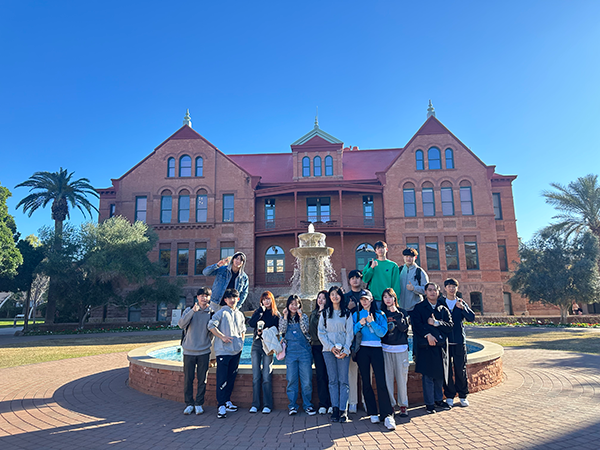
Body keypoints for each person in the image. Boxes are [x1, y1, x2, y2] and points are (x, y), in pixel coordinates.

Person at [353, 289, 396, 430]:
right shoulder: (357, 314)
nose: (364, 301)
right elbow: (352, 331)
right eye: (362, 299)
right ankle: (372, 412)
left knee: (381, 380)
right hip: (362, 350)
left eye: (366, 299)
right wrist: (360, 324)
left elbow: (382, 333)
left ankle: (387, 414)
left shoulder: (379, 314)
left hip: (377, 348)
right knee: (366, 380)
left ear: (371, 299)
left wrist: (371, 323)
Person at [411, 282, 453, 414]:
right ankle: (429, 404)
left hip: (440, 347)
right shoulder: (419, 308)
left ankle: (438, 400)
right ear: (425, 292)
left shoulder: (443, 308)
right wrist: (427, 334)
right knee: (428, 375)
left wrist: (436, 323)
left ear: (438, 292)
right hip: (426, 347)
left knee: (439, 375)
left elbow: (450, 326)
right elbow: (416, 325)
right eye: (429, 290)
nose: (432, 292)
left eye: (435, 290)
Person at [207, 288, 246, 419]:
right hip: (223, 351)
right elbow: (211, 325)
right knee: (222, 378)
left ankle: (227, 401)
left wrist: (241, 343)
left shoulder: (240, 314)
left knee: (231, 377)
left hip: (236, 351)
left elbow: (243, 330)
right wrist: (222, 337)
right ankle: (221, 405)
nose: (232, 300)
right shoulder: (221, 312)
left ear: (238, 299)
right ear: (225, 300)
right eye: (229, 298)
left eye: (234, 297)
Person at [318, 286, 354, 423]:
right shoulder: (325, 313)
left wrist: (345, 350)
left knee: (343, 381)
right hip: (329, 351)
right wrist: (331, 347)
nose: (334, 297)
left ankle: (343, 410)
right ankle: (335, 409)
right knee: (332, 380)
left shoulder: (346, 313)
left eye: (337, 294)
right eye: (332, 294)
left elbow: (350, 333)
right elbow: (321, 332)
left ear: (341, 296)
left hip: (344, 351)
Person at [178, 287, 214, 416]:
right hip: (189, 351)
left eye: (206, 296)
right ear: (197, 297)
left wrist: (206, 342)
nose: (204, 298)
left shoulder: (211, 312)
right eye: (201, 296)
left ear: (209, 298)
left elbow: (212, 333)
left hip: (204, 351)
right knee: (188, 379)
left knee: (202, 379)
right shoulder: (189, 310)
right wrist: (193, 311)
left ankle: (199, 403)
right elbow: (181, 324)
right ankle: (189, 404)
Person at [279, 295, 317, 416]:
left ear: (300, 305)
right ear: (288, 305)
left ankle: (308, 405)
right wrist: (284, 316)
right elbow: (282, 331)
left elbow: (305, 330)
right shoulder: (284, 317)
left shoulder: (304, 316)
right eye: (292, 304)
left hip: (304, 352)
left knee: (306, 380)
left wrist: (301, 316)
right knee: (291, 379)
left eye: (296, 304)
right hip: (290, 352)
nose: (294, 306)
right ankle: (292, 406)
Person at [440, 278, 475, 408]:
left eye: (454, 286)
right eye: (449, 286)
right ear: (445, 288)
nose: (451, 288)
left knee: (461, 369)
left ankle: (462, 395)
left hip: (459, 341)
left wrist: (463, 309)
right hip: (446, 343)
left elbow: (471, 318)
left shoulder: (460, 302)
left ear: (457, 288)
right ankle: (449, 396)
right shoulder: (441, 302)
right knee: (447, 370)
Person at [247, 291, 280, 414]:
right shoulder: (258, 312)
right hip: (256, 345)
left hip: (268, 346)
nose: (267, 301)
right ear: (261, 301)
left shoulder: (276, 315)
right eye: (264, 299)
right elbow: (250, 324)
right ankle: (255, 404)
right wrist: (259, 312)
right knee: (256, 376)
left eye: (269, 299)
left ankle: (267, 404)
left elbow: (279, 331)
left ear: (272, 301)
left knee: (266, 375)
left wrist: (265, 333)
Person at [381, 288, 410, 418]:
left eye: (390, 297)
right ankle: (391, 405)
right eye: (385, 297)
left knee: (401, 378)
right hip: (386, 349)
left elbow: (404, 328)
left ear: (394, 298)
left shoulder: (403, 312)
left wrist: (397, 314)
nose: (388, 299)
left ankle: (403, 405)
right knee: (388, 379)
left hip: (401, 349)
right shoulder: (381, 314)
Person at [343, 269, 365, 414]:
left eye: (357, 278)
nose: (355, 280)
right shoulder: (345, 297)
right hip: (351, 339)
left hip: (365, 339)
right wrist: (348, 309)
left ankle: (365, 400)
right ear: (349, 281)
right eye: (352, 278)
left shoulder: (366, 295)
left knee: (366, 372)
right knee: (351, 372)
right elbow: (341, 318)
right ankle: (352, 402)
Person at [309, 290, 332, 415]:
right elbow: (312, 329)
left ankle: (332, 403)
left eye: (323, 298)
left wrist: (322, 312)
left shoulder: (329, 313)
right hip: (317, 347)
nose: (320, 300)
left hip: (327, 347)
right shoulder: (313, 313)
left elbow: (324, 326)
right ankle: (323, 403)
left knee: (330, 375)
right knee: (321, 375)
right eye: (319, 298)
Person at [362, 241, 401, 309]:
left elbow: (396, 284)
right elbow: (365, 279)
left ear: (386, 250)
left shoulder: (393, 265)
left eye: (382, 248)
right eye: (378, 248)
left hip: (388, 300)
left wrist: (395, 300)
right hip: (374, 299)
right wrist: (371, 268)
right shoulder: (371, 264)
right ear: (375, 251)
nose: (380, 250)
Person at [398, 247, 428, 312]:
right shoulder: (399, 270)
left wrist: (414, 288)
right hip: (400, 308)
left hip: (416, 308)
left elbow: (426, 290)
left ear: (415, 258)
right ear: (403, 257)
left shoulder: (419, 271)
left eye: (411, 257)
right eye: (406, 256)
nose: (408, 259)